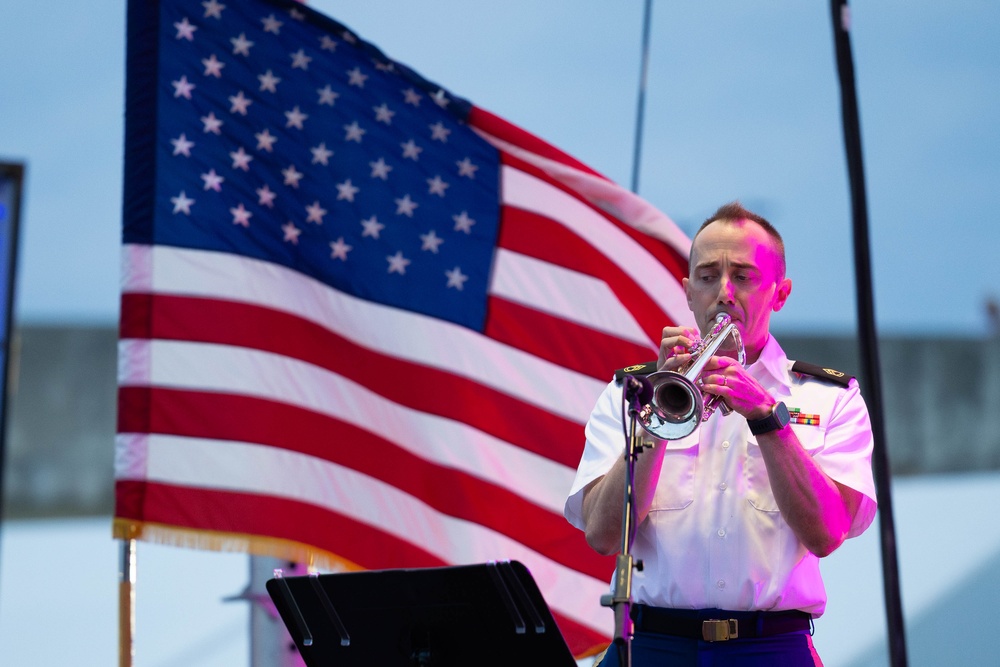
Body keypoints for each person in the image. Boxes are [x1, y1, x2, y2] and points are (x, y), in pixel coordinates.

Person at [564, 202, 877, 666]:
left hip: (770, 647)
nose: (725, 293)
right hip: (653, 645)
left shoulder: (830, 398)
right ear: (689, 292)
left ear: (780, 293)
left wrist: (770, 420)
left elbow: (827, 534)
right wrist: (657, 414)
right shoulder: (633, 392)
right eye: (709, 277)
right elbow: (604, 536)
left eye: (745, 277)